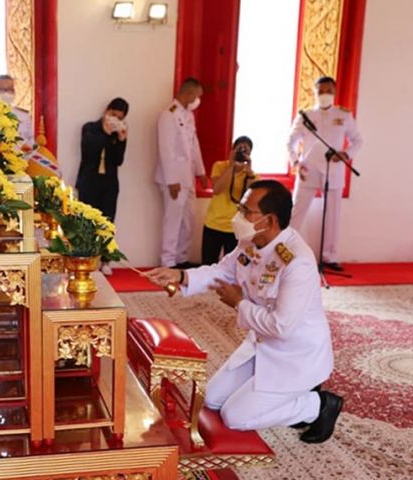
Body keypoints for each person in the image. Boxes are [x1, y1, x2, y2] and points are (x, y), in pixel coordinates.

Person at [146, 180, 342, 443]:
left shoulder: (298, 263)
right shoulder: (251, 242)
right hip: (261, 346)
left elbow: (281, 327)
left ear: (269, 221)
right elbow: (220, 271)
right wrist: (179, 276)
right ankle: (286, 396)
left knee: (235, 417)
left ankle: (317, 405)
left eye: (246, 211)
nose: (238, 216)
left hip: (295, 356)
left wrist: (239, 303)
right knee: (213, 399)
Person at [287, 76, 363, 272]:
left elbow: (357, 140)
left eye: (329, 91)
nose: (325, 95)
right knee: (297, 212)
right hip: (308, 170)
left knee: (333, 215)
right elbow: (291, 142)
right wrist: (295, 163)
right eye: (321, 91)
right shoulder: (305, 116)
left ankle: (329, 256)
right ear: (315, 92)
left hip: (333, 170)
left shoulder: (344, 115)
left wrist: (346, 154)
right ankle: (285, 249)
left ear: (335, 92)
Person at [155, 77, 207, 268]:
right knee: (173, 220)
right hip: (174, 179)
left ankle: (181, 258)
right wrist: (171, 180)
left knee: (188, 220)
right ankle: (168, 261)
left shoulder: (188, 116)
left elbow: (194, 146)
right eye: (197, 96)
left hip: (188, 178)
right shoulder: (168, 115)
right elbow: (165, 149)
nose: (198, 101)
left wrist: (201, 172)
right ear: (189, 94)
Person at [75, 98, 130, 275]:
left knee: (107, 222)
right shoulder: (89, 128)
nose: (115, 119)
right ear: (107, 111)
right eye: (113, 114)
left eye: (119, 117)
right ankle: (85, 258)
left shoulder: (117, 133)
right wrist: (105, 134)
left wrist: (121, 140)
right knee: (87, 223)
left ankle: (105, 260)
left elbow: (118, 160)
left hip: (109, 184)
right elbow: (88, 152)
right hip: (89, 182)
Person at [202, 136, 256, 265]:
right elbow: (217, 189)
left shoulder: (251, 175)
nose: (241, 153)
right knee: (208, 264)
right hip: (213, 224)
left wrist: (249, 172)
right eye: (239, 150)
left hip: (235, 228)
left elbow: (250, 200)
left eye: (245, 151)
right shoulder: (220, 166)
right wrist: (231, 167)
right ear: (232, 150)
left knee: (233, 267)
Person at [0, 74, 34, 145]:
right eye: (2, 90)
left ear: (14, 91)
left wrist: (26, 153)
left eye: (10, 89)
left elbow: (31, 140)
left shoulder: (24, 115)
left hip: (20, 155)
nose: (6, 93)